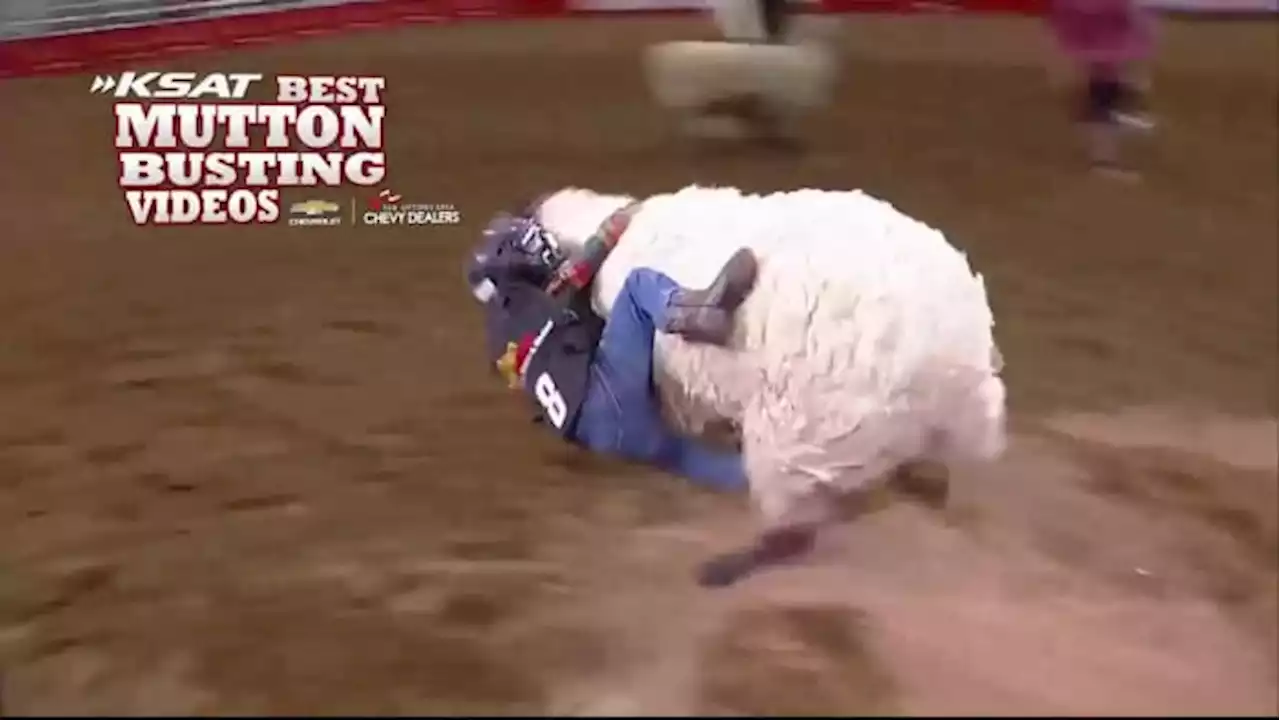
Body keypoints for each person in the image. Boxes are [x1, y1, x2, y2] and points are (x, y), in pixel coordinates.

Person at [465, 208, 758, 493]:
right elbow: (572, 275)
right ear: (510, 262)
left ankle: (778, 489)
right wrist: (606, 236)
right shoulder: (517, 294)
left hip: (599, 435)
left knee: (684, 457)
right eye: (529, 243)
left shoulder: (502, 344)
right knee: (637, 287)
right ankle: (698, 312)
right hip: (604, 393)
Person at [1047, 0, 1156, 176]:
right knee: (1112, 85)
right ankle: (1118, 117)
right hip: (1111, 41)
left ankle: (1108, 134)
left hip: (1088, 39)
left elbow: (1058, 16)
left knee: (1104, 87)